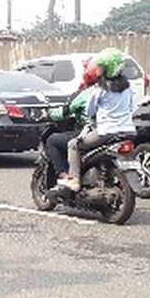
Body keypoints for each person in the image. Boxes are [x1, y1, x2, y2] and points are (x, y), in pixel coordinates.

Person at [59, 48, 136, 192]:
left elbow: (90, 111)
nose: (97, 69)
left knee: (73, 145)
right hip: (128, 131)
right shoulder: (128, 87)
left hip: (106, 132)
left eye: (100, 66)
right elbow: (132, 106)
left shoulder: (100, 88)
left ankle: (73, 182)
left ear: (109, 68)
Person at [45, 58, 101, 183]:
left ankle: (67, 177)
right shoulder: (113, 91)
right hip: (113, 131)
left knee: (53, 140)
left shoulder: (88, 93)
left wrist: (48, 114)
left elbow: (65, 111)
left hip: (90, 131)